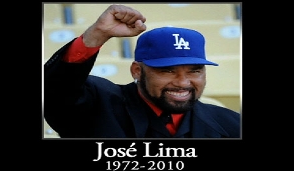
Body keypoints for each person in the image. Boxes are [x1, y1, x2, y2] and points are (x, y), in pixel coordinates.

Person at [44, 4, 240, 138]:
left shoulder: (231, 124)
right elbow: (54, 90)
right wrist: (97, 34)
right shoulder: (95, 104)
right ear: (137, 71)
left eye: (194, 71)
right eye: (167, 71)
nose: (183, 82)